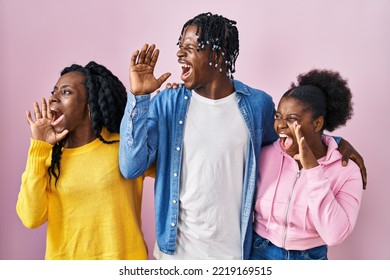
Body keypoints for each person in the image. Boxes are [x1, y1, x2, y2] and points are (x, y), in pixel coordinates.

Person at [119, 12, 366, 260]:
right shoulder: (167, 103)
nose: (180, 54)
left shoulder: (257, 106)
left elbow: (289, 141)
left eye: (191, 48)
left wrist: (334, 144)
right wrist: (139, 98)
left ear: (217, 55)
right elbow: (131, 167)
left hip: (234, 255)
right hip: (175, 254)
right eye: (180, 47)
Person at [16, 61, 152, 260]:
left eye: (66, 92)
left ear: (89, 104)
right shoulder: (48, 155)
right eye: (54, 91)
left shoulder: (124, 145)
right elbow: (30, 218)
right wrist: (38, 147)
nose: (53, 98)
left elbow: (175, 171)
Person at [250, 69, 363, 260]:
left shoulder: (347, 171)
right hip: (260, 252)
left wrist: (313, 169)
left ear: (317, 123)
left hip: (310, 258)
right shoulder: (265, 154)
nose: (281, 125)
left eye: (292, 119)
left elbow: (334, 235)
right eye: (278, 116)